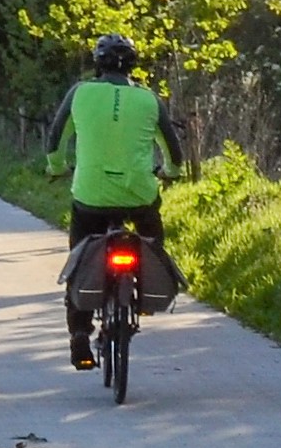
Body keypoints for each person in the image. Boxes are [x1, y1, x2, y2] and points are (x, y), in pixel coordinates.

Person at [39, 36, 191, 367]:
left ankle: (79, 332)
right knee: (152, 237)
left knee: (79, 258)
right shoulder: (149, 99)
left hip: (90, 195)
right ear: (133, 66)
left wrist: (57, 169)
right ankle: (146, 292)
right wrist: (170, 173)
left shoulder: (80, 93)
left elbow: (54, 141)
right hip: (138, 194)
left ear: (98, 64)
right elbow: (174, 153)